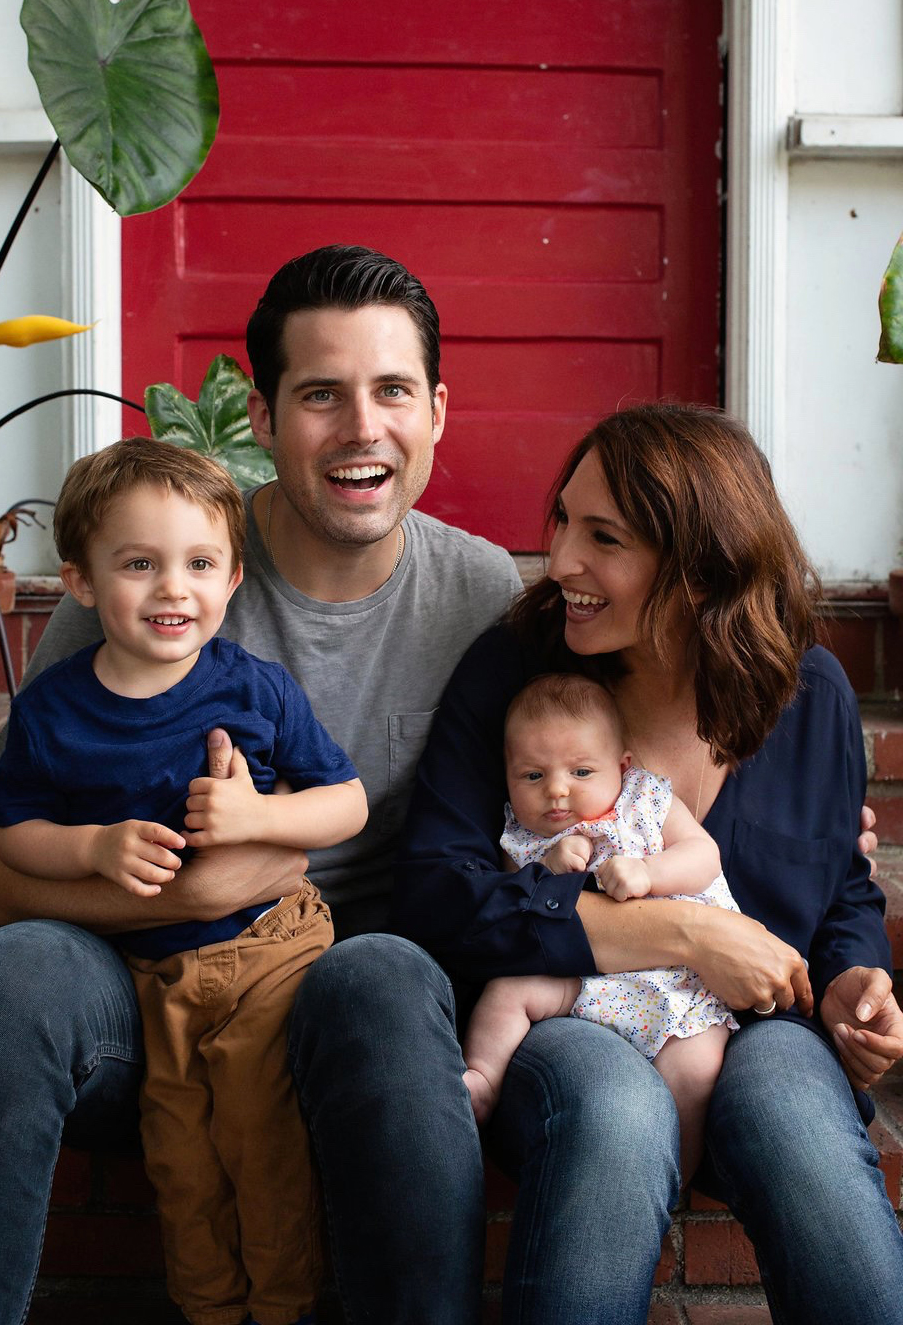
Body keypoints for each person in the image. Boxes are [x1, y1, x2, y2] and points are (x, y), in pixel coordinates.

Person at [0, 244, 523, 1325]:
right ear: (264, 414)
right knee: (4, 977)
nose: (360, 427)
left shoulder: (477, 589)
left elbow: (598, 769)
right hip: (130, 982)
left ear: (436, 410)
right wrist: (177, 895)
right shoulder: (155, 569)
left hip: (338, 995)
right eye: (320, 393)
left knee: (384, 973)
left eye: (389, 391)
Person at [392, 401, 903, 1324]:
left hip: (757, 1030)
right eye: (564, 521)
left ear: (701, 569)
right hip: (573, 1015)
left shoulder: (806, 693)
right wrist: (683, 930)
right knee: (616, 1112)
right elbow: (437, 889)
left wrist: (852, 980)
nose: (562, 561)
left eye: (605, 538)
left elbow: (842, 887)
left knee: (800, 1120)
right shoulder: (521, 672)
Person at [0, 437, 368, 1325]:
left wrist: (258, 819)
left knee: (260, 1139)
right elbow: (14, 834)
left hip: (268, 952)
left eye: (200, 563)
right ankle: (209, 1310)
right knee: (180, 1156)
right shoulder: (54, 711)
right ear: (80, 580)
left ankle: (282, 1309)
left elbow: (344, 800)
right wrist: (89, 849)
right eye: (139, 564)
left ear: (234, 579)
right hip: (152, 975)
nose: (173, 588)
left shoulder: (256, 691)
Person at [462, 672, 738, 1184]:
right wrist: (544, 863)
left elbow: (704, 856)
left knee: (696, 1071)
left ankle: (670, 1179)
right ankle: (482, 1077)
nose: (557, 791)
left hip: (674, 981)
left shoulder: (647, 801)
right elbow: (512, 902)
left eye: (582, 771)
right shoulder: (520, 833)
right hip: (580, 977)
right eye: (531, 776)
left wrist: (649, 872)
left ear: (622, 766)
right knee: (507, 993)